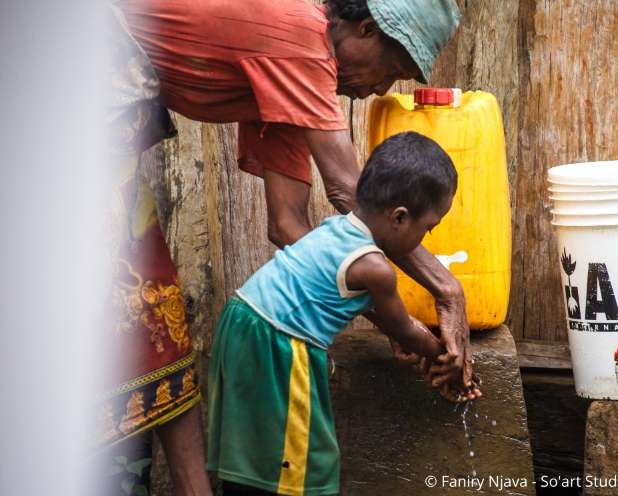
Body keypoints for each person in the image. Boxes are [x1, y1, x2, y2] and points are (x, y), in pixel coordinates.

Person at [104, 0, 476, 493]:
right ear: (365, 29)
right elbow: (349, 189)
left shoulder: (283, 86)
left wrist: (371, 302)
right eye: (392, 69)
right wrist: (448, 291)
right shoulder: (299, 34)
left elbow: (287, 226)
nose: (381, 90)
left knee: (159, 314)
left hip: (110, 132)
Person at [207, 131, 472, 496]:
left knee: (255, 453)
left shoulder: (335, 230)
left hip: (241, 319)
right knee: (304, 462)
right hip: (280, 343)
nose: (424, 239)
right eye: (428, 228)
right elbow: (405, 330)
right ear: (399, 217)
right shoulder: (375, 268)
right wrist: (447, 360)